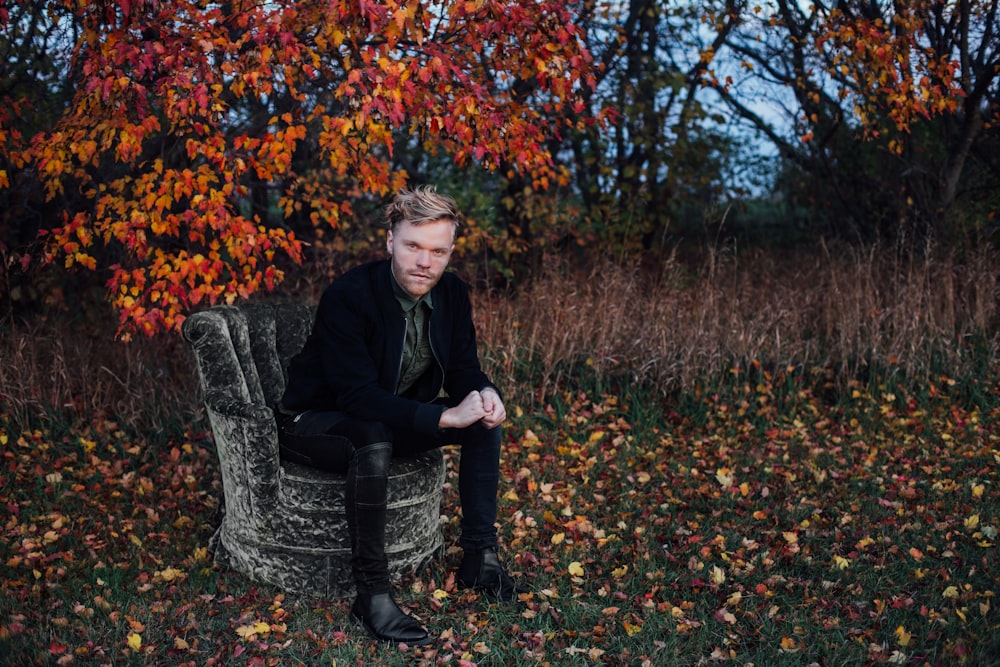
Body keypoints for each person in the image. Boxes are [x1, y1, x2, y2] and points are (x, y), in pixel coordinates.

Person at [277, 185, 525, 646]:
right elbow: (356, 398)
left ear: (450, 252)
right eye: (413, 246)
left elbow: (465, 367)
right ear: (391, 240)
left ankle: (480, 559)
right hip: (313, 423)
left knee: (482, 420)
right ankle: (372, 594)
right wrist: (440, 419)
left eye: (437, 251)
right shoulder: (350, 295)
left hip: (384, 419)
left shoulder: (452, 294)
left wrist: (484, 394)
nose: (424, 262)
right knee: (371, 435)